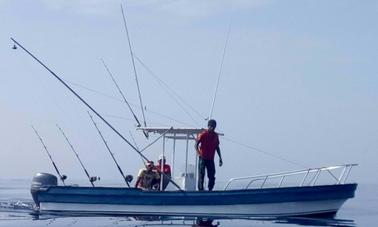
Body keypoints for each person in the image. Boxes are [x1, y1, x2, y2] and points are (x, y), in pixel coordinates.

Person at [195, 119, 223, 191]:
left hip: (210, 159)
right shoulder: (203, 134)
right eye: (211, 126)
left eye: (214, 127)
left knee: (212, 175)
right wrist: (198, 153)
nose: (213, 128)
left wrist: (220, 158)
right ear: (208, 126)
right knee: (201, 174)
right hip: (203, 157)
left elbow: (217, 147)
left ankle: (210, 189)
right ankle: (200, 190)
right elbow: (196, 145)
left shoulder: (215, 136)